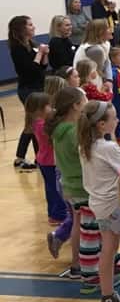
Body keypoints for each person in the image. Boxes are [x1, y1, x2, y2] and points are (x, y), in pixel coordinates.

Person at [78, 100, 120, 302]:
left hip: (99, 206)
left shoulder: (85, 145)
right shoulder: (108, 147)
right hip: (116, 206)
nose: (118, 119)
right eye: (114, 118)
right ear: (102, 125)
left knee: (108, 249)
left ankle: (108, 297)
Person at [46, 86, 87, 278]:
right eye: (84, 99)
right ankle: (81, 262)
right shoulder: (72, 132)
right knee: (83, 224)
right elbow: (87, 157)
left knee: (77, 223)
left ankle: (78, 263)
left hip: (67, 182)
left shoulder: (59, 129)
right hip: (80, 184)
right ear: (76, 106)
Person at [8, 15, 48, 171]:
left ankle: (32, 156)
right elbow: (29, 69)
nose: (34, 27)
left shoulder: (31, 44)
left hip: (38, 86)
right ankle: (29, 157)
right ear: (22, 29)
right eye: (30, 25)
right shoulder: (17, 49)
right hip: (27, 90)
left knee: (34, 123)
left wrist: (45, 55)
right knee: (34, 123)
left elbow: (41, 68)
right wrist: (39, 55)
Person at [27, 92, 66, 225]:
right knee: (55, 189)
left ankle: (53, 214)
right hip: (50, 162)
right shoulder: (42, 124)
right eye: (49, 105)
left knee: (50, 189)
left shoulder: (38, 122)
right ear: (40, 109)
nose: (52, 108)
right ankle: (59, 215)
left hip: (45, 161)